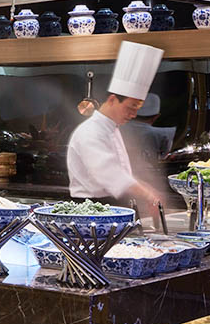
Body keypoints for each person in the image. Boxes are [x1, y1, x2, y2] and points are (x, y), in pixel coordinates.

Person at [66, 41, 164, 210]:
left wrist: (144, 189)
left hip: (113, 206)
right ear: (112, 100)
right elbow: (109, 173)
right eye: (131, 107)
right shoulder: (90, 132)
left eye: (137, 109)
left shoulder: (111, 128)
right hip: (92, 210)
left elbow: (121, 173)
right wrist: (148, 194)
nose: (134, 115)